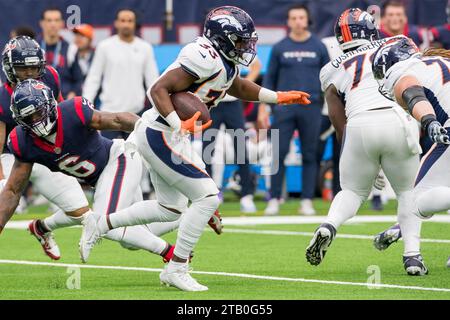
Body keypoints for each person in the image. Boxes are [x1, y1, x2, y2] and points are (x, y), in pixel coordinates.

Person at [79, 6, 311, 292]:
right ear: (221, 37)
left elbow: (235, 86)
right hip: (161, 132)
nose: (244, 46)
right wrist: (179, 124)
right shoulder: (202, 56)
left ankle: (99, 224)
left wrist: (277, 97)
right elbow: (158, 89)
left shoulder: (223, 60)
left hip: (170, 135)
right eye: (239, 40)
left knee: (171, 209)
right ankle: (176, 268)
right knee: (208, 197)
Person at [0, 78, 186, 264]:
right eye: (28, 117)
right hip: (101, 180)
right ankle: (189, 215)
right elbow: (13, 190)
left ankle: (173, 256)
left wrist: (150, 131)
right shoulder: (22, 142)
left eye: (38, 113)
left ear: (50, 105)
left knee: (107, 223)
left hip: (118, 160)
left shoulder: (72, 112)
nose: (35, 121)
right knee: (133, 237)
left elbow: (117, 119)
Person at [305, 9, 424, 276]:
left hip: (358, 124)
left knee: (352, 191)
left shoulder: (332, 67)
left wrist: (357, 154)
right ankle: (413, 256)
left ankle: (330, 224)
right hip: (395, 119)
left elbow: (338, 118)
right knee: (407, 192)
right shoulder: (396, 43)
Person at [0, 36, 90, 259]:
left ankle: (42, 227)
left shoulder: (50, 76)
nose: (30, 73)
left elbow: (61, 114)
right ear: (10, 69)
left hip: (45, 152)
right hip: (14, 156)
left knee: (82, 213)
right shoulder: (2, 97)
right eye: (23, 68)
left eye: (34, 66)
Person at [372, 38, 450, 274]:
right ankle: (401, 228)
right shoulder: (440, 61)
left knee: (415, 201)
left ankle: (412, 256)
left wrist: (429, 121)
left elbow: (413, 93)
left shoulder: (405, 72)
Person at [263, 4, 330, 216]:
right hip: (283, 107)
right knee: (278, 153)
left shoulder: (318, 46)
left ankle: (307, 200)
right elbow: (269, 79)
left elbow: (329, 78)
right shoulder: (279, 47)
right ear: (288, 21)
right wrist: (264, 108)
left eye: (301, 17)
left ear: (307, 20)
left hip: (311, 108)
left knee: (310, 154)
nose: (298, 21)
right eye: (294, 18)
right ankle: (274, 199)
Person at [83, 8, 159, 140]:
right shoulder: (104, 46)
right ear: (116, 23)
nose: (126, 24)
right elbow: (93, 78)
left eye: (130, 21)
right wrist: (86, 107)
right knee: (109, 156)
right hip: (108, 114)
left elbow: (153, 81)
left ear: (135, 24)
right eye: (123, 20)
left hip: (136, 112)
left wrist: (158, 109)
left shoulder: (145, 48)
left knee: (136, 156)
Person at [201, 57, 262, 213]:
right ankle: (207, 195)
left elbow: (256, 65)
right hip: (212, 102)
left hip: (233, 103)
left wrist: (241, 86)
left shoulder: (236, 44)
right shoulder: (208, 48)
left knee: (241, 149)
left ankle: (246, 196)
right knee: (207, 150)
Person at [38, 7, 83, 99]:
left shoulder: (71, 49)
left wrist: (73, 94)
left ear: (62, 24)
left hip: (63, 102)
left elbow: (78, 79)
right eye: (49, 20)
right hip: (38, 101)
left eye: (56, 20)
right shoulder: (33, 48)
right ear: (42, 23)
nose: (53, 24)